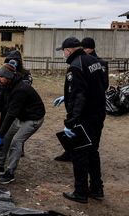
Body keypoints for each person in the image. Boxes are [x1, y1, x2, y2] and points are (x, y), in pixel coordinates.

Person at [55, 37, 106, 203]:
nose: (63, 54)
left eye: (63, 51)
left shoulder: (75, 66)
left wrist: (71, 121)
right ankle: (97, 189)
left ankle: (80, 192)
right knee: (92, 151)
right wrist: (67, 95)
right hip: (98, 114)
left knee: (79, 154)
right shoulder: (94, 61)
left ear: (69, 50)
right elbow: (96, 86)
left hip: (84, 117)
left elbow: (79, 95)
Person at [0, 63, 45, 184]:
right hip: (21, 116)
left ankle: (10, 172)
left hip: (33, 119)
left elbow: (10, 115)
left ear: (9, 76)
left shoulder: (20, 90)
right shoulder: (6, 86)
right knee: (5, 137)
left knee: (16, 141)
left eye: (1, 76)